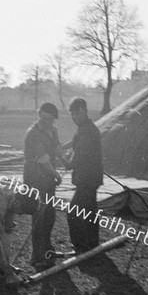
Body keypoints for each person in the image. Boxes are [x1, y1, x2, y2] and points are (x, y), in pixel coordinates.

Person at [23, 102, 67, 270]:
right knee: (39, 217)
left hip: (48, 179)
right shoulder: (33, 133)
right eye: (43, 118)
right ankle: (37, 256)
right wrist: (57, 174)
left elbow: (56, 148)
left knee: (49, 215)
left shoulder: (53, 129)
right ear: (39, 115)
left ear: (54, 119)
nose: (46, 122)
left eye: (49, 119)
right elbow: (43, 159)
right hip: (35, 179)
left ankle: (47, 250)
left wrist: (65, 161)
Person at [65, 97, 103, 253]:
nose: (75, 117)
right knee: (90, 211)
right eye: (73, 114)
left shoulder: (86, 130)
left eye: (78, 113)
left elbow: (76, 159)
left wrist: (63, 159)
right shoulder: (85, 127)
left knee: (73, 211)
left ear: (85, 112)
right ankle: (92, 243)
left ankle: (80, 246)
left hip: (86, 179)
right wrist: (62, 147)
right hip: (92, 178)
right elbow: (75, 143)